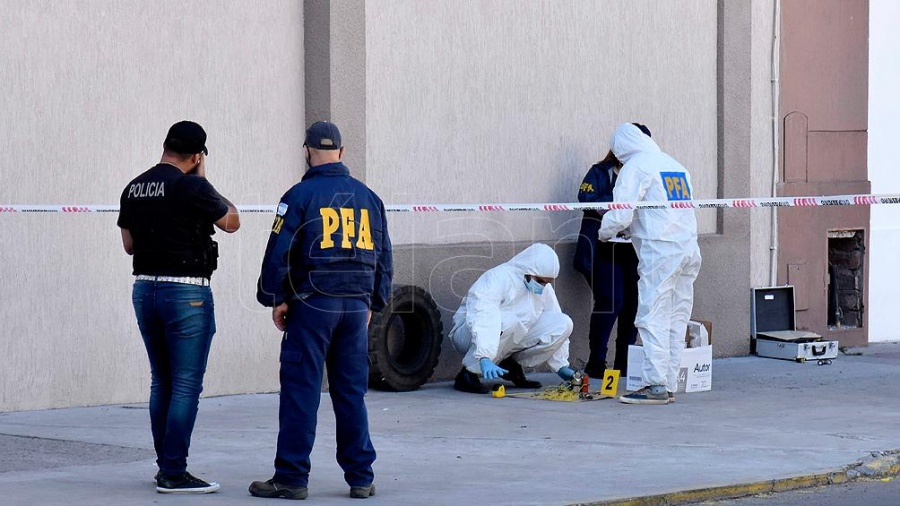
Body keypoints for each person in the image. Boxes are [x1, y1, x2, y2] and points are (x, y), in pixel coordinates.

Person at [252, 121, 392, 500]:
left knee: (302, 391)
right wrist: (373, 304)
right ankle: (361, 477)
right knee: (351, 394)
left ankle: (292, 478)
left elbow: (279, 251)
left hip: (312, 304)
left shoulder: (298, 196)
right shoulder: (370, 198)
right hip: (355, 309)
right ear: (342, 153)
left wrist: (275, 296)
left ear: (307, 152)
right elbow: (384, 257)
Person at [118, 120, 240, 494]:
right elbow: (232, 221)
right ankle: (174, 472)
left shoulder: (134, 186)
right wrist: (205, 179)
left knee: (162, 381)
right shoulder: (193, 185)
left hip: (145, 290)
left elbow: (129, 245)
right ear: (196, 155)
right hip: (186, 292)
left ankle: (164, 465)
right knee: (186, 385)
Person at [598, 123, 702, 405]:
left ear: (622, 147)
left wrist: (604, 232)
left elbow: (620, 215)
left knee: (652, 315)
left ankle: (654, 384)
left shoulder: (636, 167)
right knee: (675, 317)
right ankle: (667, 383)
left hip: (660, 253)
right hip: (688, 249)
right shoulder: (675, 165)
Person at [573, 126, 652, 379]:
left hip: (634, 248)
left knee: (633, 305)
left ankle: (624, 364)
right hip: (605, 246)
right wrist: (616, 208)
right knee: (611, 301)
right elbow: (585, 198)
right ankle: (596, 361)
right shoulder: (600, 171)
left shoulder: (645, 173)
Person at [449, 243, 576, 394]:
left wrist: (561, 365)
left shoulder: (543, 288)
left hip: (508, 333)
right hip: (468, 335)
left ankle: (511, 364)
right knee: (510, 320)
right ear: (529, 270)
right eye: (541, 281)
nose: (544, 286)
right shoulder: (498, 277)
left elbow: (554, 315)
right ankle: (469, 374)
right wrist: (484, 356)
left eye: (547, 282)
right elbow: (483, 314)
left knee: (563, 323)